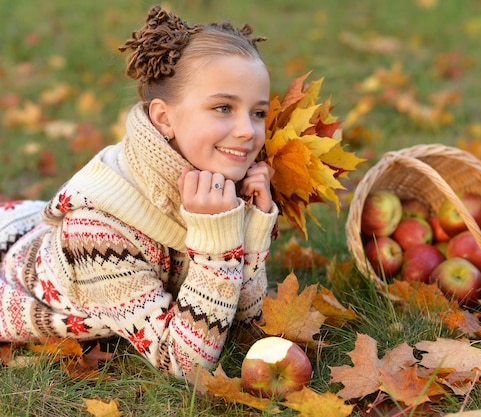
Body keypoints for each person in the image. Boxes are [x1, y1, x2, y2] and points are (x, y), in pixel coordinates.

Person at [0, 4, 278, 380]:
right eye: (224, 107)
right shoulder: (99, 230)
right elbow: (184, 364)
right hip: (21, 269)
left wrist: (251, 229)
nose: (247, 131)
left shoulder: (214, 181)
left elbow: (246, 321)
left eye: (258, 113)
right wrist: (217, 243)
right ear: (164, 118)